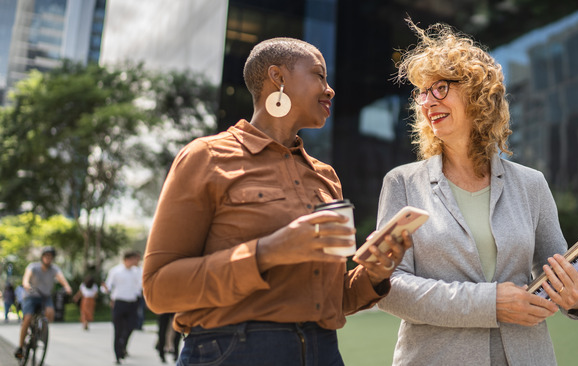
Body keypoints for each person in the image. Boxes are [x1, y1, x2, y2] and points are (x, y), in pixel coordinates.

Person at [143, 37, 410, 365]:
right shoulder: (206, 157)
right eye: (319, 75)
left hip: (322, 351)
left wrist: (373, 275)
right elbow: (158, 288)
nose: (330, 89)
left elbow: (330, 300)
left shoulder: (326, 177)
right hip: (232, 351)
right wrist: (268, 251)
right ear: (278, 77)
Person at [375, 20, 578, 365]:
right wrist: (490, 303)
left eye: (440, 88)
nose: (427, 102)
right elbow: (387, 286)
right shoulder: (402, 183)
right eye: (422, 92)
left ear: (477, 95)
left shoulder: (531, 185)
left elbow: (557, 276)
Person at [15, 246, 72, 359]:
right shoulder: (33, 267)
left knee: (50, 313)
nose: (48, 259)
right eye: (46, 256)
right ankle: (21, 347)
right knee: (27, 319)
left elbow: (61, 278)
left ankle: (40, 332)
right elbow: (26, 278)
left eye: (50, 257)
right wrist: (26, 284)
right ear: (42, 257)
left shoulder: (54, 269)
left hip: (45, 297)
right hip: (31, 295)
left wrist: (67, 287)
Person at [103, 251, 143, 364]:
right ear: (128, 259)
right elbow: (108, 286)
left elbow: (141, 286)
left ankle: (122, 346)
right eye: (135, 259)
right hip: (119, 303)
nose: (137, 262)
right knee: (118, 329)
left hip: (133, 303)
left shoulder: (137, 271)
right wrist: (105, 289)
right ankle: (117, 355)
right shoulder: (115, 271)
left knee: (131, 327)